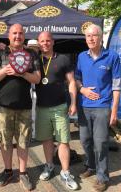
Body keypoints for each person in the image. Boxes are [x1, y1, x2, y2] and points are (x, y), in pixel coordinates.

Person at [0, 24, 41, 191]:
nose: (18, 36)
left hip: (24, 106)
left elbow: (37, 79)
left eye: (20, 33)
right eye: (14, 33)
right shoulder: (0, 52)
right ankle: (8, 170)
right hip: (3, 106)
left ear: (24, 35)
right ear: (9, 35)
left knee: (23, 141)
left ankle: (23, 173)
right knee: (5, 141)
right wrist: (5, 70)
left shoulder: (32, 54)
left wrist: (22, 74)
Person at [75, 24, 121, 192]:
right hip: (84, 107)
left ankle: (102, 177)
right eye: (88, 36)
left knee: (100, 143)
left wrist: (114, 110)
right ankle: (91, 166)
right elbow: (77, 78)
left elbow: (117, 86)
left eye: (94, 35)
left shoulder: (112, 56)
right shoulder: (81, 57)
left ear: (101, 37)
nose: (91, 39)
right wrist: (82, 89)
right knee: (85, 140)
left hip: (102, 107)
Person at [35, 31, 79, 190]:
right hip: (41, 107)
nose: (45, 43)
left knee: (63, 141)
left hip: (60, 107)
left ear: (53, 42)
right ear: (38, 43)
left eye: (48, 40)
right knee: (46, 139)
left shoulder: (63, 59)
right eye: (42, 41)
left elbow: (72, 82)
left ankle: (65, 172)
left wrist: (73, 103)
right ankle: (49, 166)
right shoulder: (35, 59)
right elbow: (17, 51)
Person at [27, 39, 39, 139]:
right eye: (31, 48)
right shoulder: (25, 58)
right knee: (30, 113)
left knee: (36, 113)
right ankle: (32, 133)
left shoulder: (40, 59)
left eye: (35, 48)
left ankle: (34, 133)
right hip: (29, 90)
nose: (34, 50)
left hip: (39, 90)